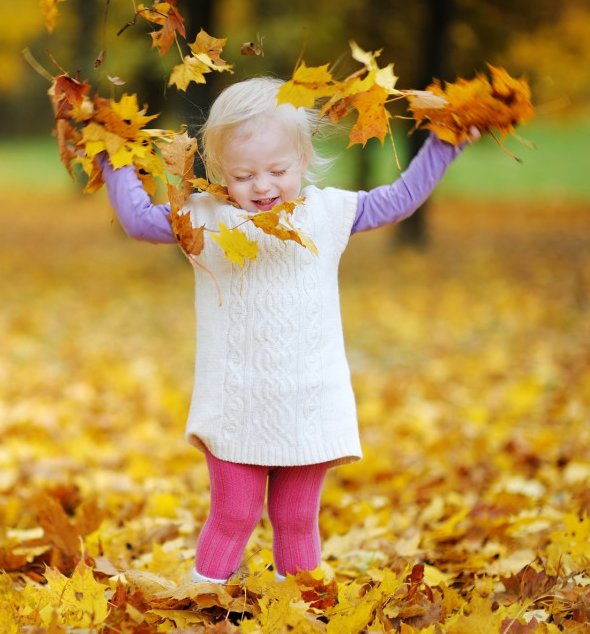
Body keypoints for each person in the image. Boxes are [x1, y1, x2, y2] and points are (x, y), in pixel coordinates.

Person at [97, 77, 478, 584]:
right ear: (219, 173)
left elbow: (401, 199)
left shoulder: (328, 213)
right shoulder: (206, 220)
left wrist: (444, 143)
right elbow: (138, 220)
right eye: (244, 174)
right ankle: (202, 602)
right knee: (233, 515)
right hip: (236, 403)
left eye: (277, 170)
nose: (262, 186)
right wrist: (112, 151)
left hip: (308, 402)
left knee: (297, 519)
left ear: (302, 158)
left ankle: (297, 610)